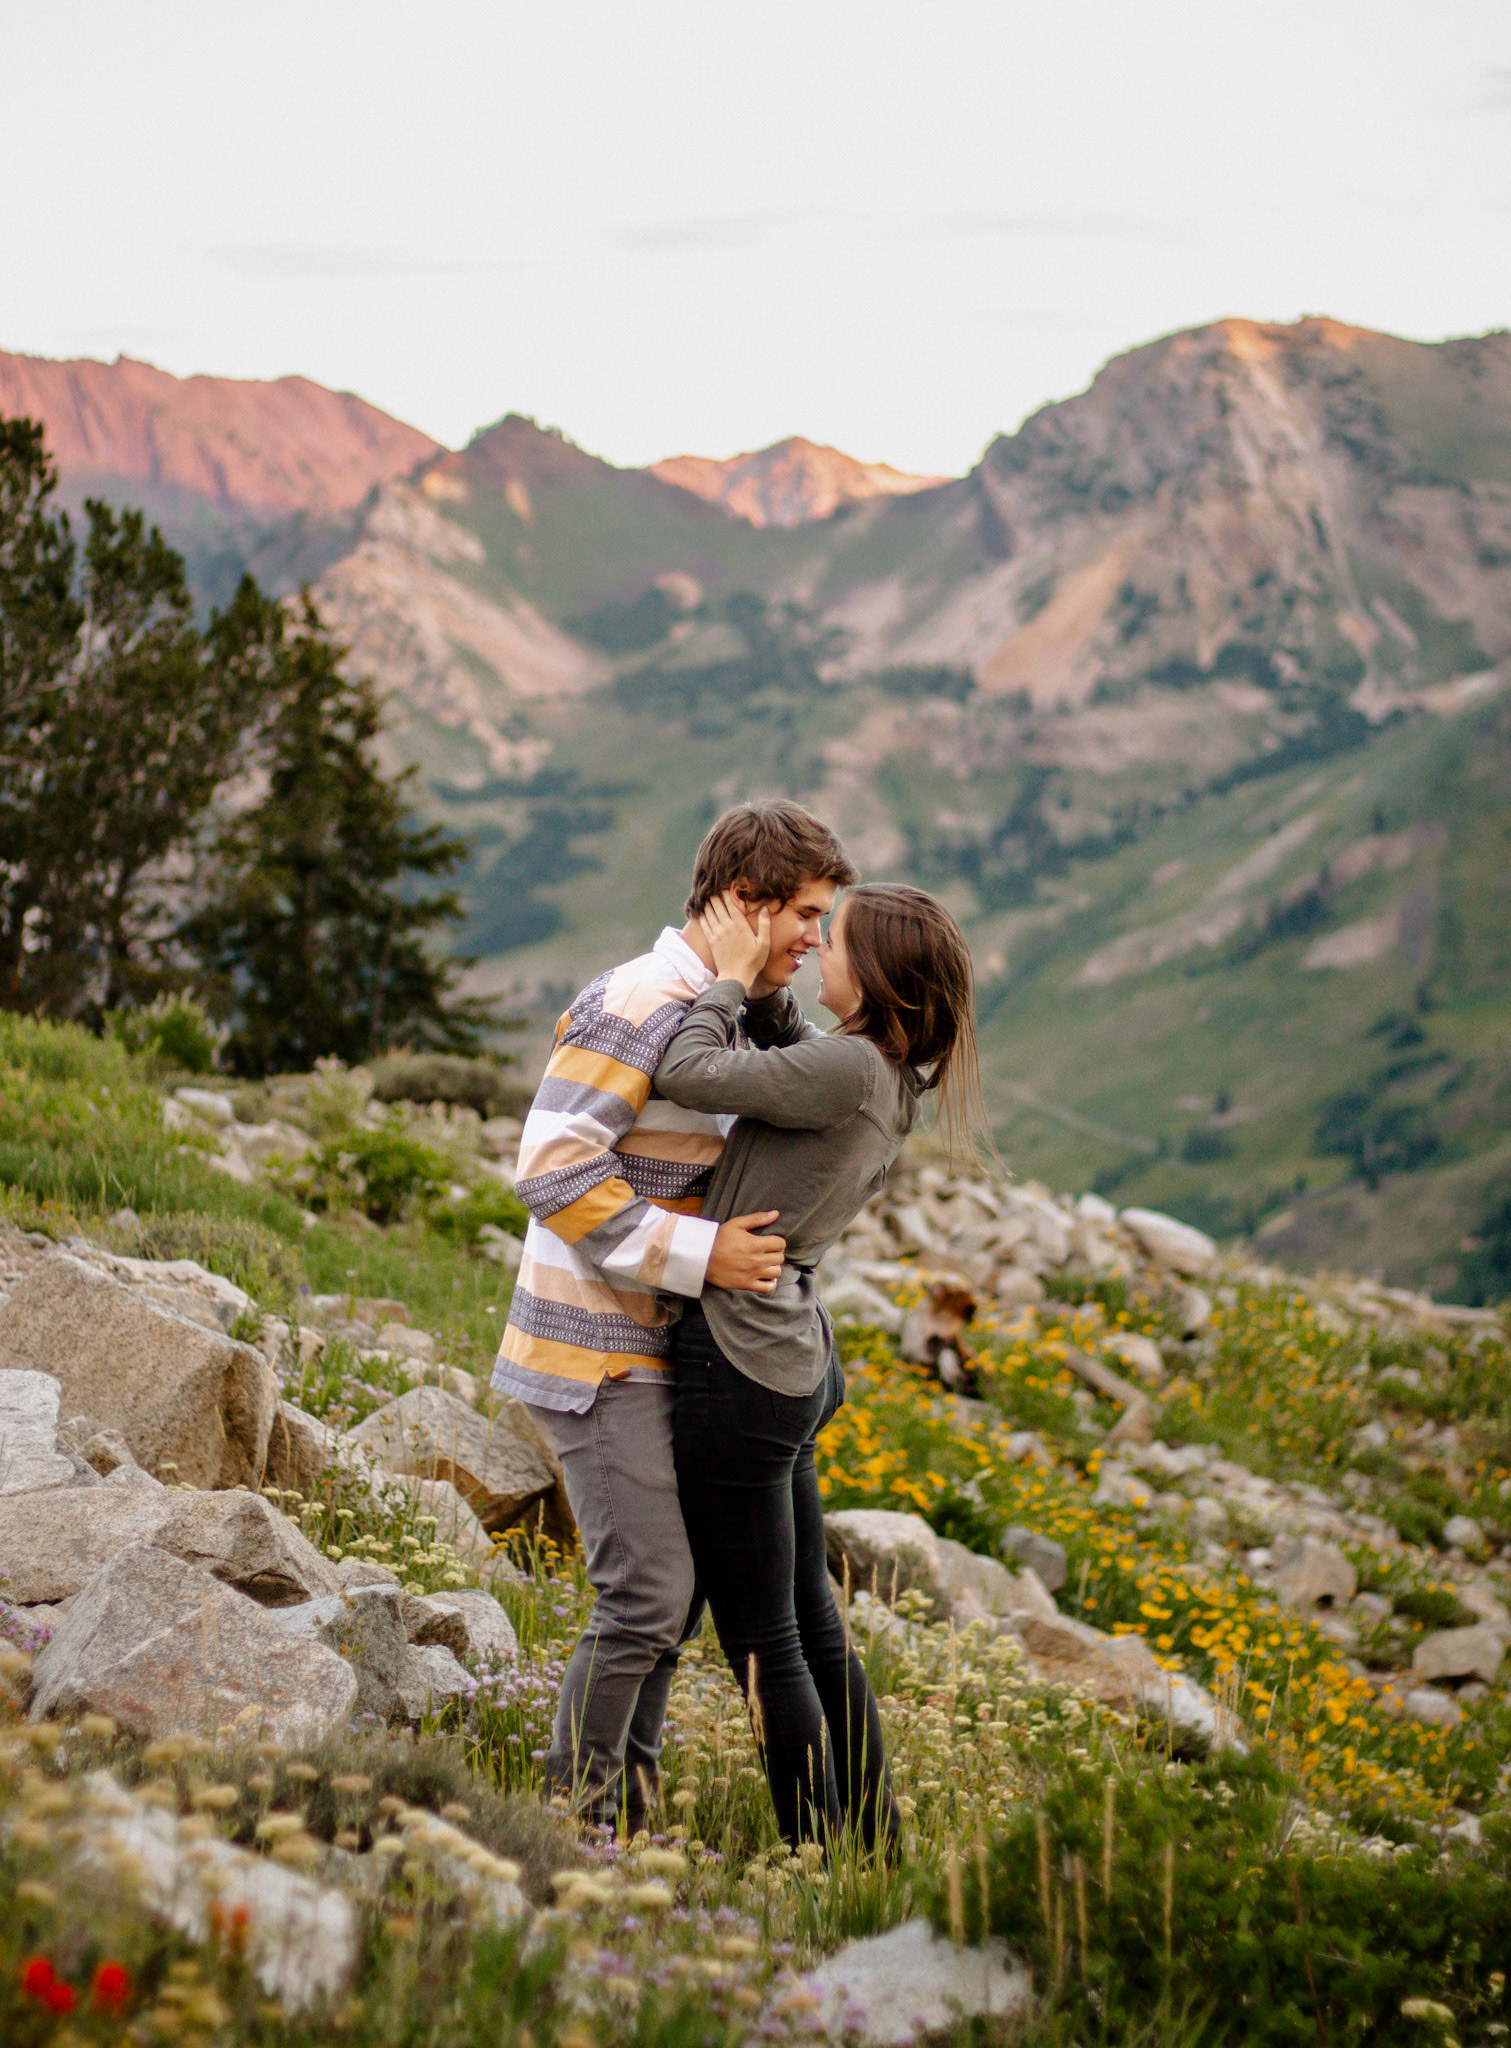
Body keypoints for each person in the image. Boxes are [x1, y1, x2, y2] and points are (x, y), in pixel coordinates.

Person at [491, 800, 858, 1833]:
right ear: (745, 900)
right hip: (593, 1346)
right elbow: (552, 1167)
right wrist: (705, 1256)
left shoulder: (721, 1007)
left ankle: (626, 1819)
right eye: (805, 914)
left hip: (659, 1345)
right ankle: (576, 1824)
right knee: (649, 1595)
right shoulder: (641, 1000)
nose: (816, 939)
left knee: (673, 1597)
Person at [654, 882, 985, 1853]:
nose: (816, 949)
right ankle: (872, 1844)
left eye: (832, 940)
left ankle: (812, 1853)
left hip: (738, 1360)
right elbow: (790, 1050)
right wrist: (762, 990)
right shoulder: (885, 1073)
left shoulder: (846, 1068)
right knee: (811, 1624)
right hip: (787, 1356)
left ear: (874, 975)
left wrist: (725, 979)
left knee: (764, 1642)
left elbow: (687, 1068)